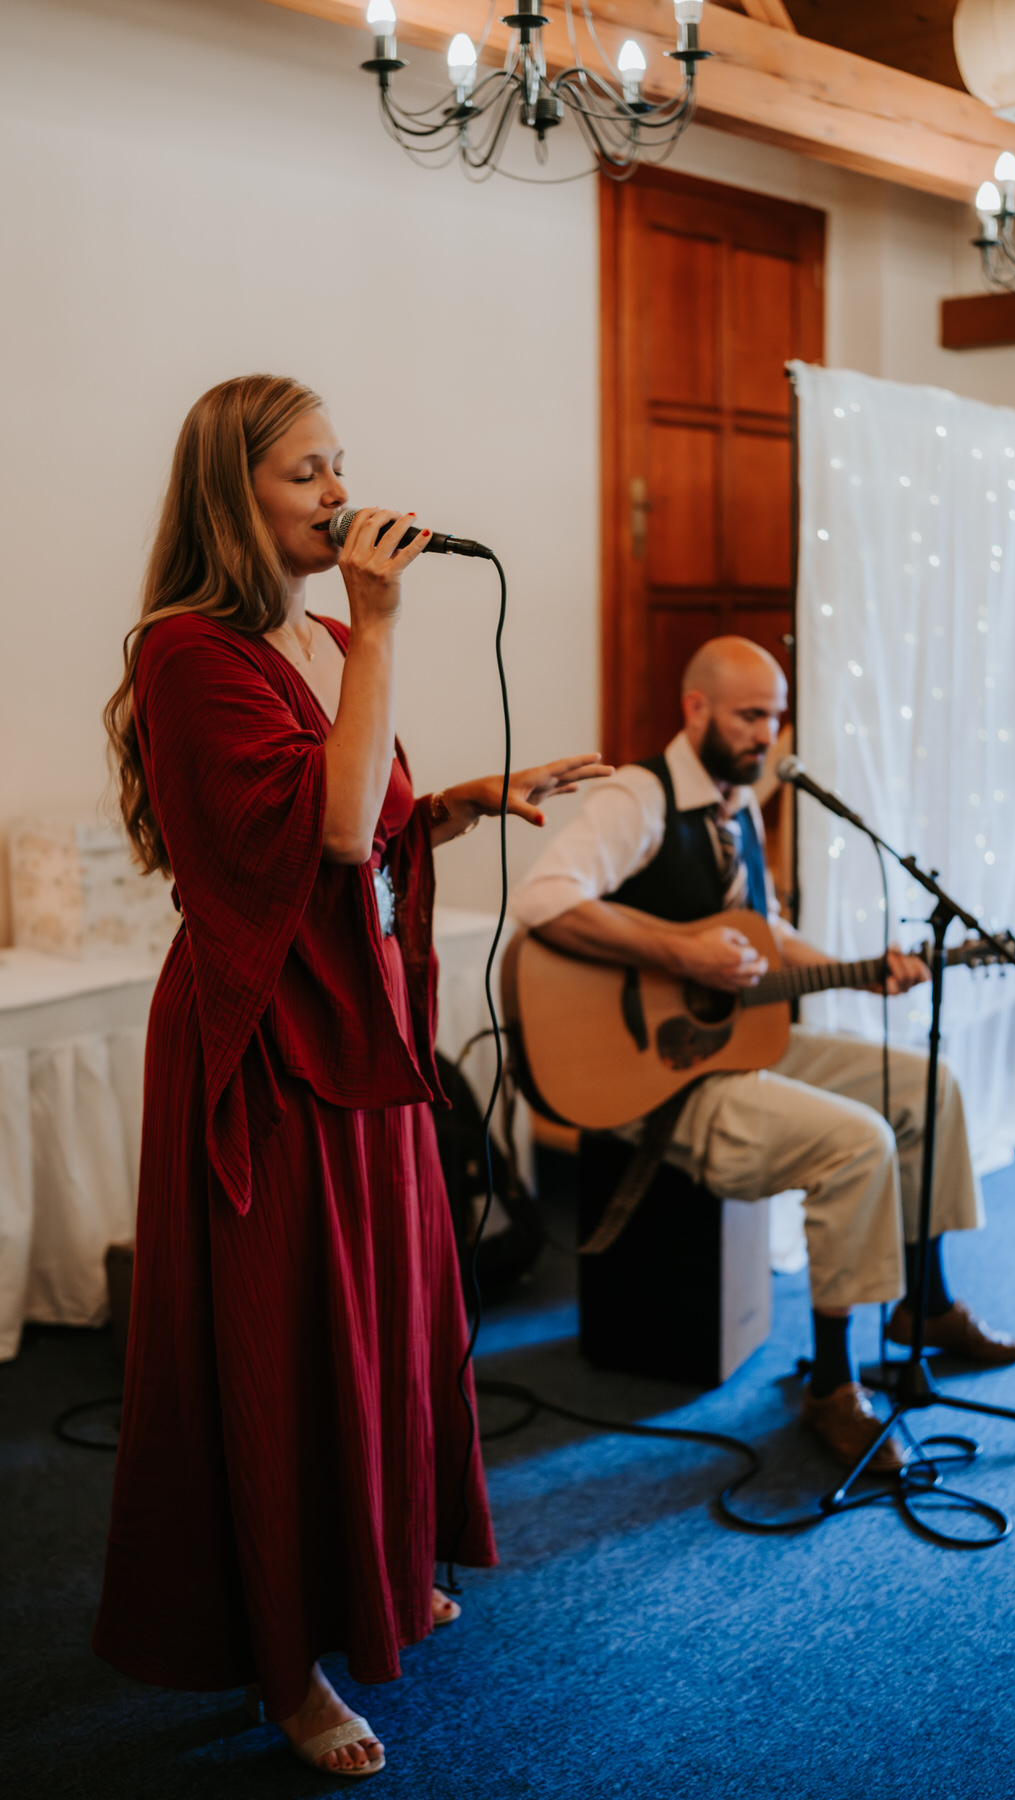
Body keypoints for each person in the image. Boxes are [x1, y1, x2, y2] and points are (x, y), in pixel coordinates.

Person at [94, 374, 610, 1778]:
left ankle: (372, 1573)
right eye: (306, 474)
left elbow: (363, 814)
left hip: (360, 1020)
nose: (342, 495)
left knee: (380, 1317)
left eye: (341, 468)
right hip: (266, 1041)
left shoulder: (319, 633)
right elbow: (317, 841)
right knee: (285, 1340)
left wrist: (455, 803)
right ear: (232, 495)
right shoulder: (192, 654)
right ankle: (287, 1664)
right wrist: (381, 634)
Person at [509, 636, 1015, 1474]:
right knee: (858, 1140)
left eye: (777, 718)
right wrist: (682, 953)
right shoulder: (639, 798)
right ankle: (831, 1385)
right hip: (661, 1073)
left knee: (928, 1085)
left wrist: (852, 973)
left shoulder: (738, 806)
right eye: (752, 716)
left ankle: (924, 1308)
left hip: (740, 1045)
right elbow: (543, 899)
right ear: (696, 708)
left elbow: (764, 934)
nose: (767, 736)